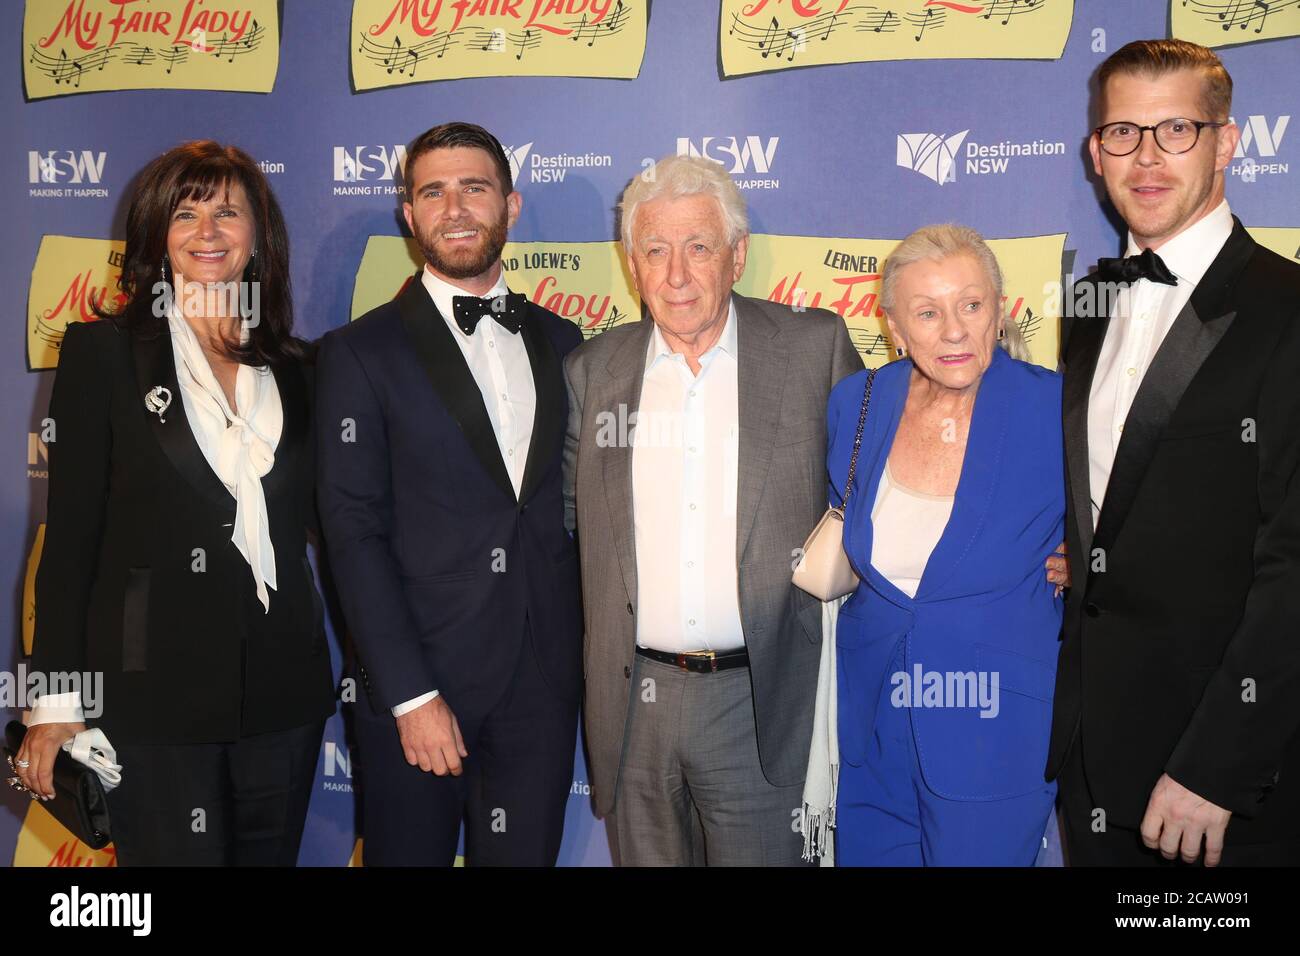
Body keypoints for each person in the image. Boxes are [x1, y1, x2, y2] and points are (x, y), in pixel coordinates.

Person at [14, 141, 334, 865]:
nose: (208, 231)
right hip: (148, 697)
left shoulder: (303, 369)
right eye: (185, 213)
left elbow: (339, 527)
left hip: (284, 696)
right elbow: (67, 548)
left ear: (260, 234)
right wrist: (57, 703)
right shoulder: (102, 355)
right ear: (157, 234)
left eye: (228, 211)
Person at [563, 154, 862, 865]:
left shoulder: (812, 348)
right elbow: (568, 527)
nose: (675, 275)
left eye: (698, 248)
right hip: (635, 703)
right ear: (631, 262)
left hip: (761, 702)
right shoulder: (593, 372)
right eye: (655, 251)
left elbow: (873, 493)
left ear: (738, 255)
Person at [1048, 38, 1300, 867]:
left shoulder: (1286, 310)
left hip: (1221, 788)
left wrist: (1216, 769)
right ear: (1095, 151)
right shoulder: (1090, 303)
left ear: (1227, 142)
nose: (1146, 157)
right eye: (1123, 132)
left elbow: (1292, 563)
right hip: (1092, 766)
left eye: (1176, 131)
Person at [316, 122, 582, 866]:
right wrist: (408, 694)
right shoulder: (358, 354)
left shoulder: (567, 343)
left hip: (542, 683)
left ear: (512, 205)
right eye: (433, 191)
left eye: (475, 187)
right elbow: (351, 531)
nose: (455, 207)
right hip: (418, 687)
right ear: (409, 214)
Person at [826, 224, 1063, 866]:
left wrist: (1086, 564)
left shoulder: (1056, 409)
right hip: (873, 713)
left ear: (1001, 309)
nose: (954, 330)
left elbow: (1127, 530)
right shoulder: (859, 402)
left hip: (995, 725)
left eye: (971, 305)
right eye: (927, 313)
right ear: (895, 329)